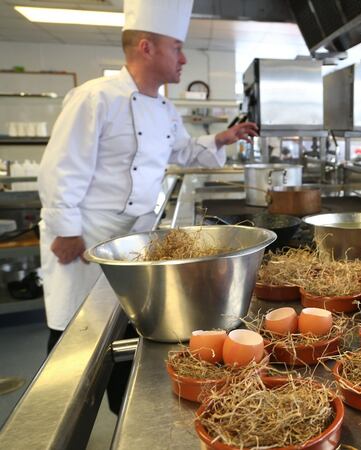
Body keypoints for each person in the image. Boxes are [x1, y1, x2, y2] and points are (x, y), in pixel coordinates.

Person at [38, 0, 258, 351]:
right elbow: (61, 167)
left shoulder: (165, 108)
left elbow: (182, 151)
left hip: (135, 238)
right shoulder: (95, 98)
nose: (183, 59)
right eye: (177, 48)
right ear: (146, 47)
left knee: (123, 328)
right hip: (86, 235)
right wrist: (66, 230)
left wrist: (221, 138)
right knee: (76, 332)